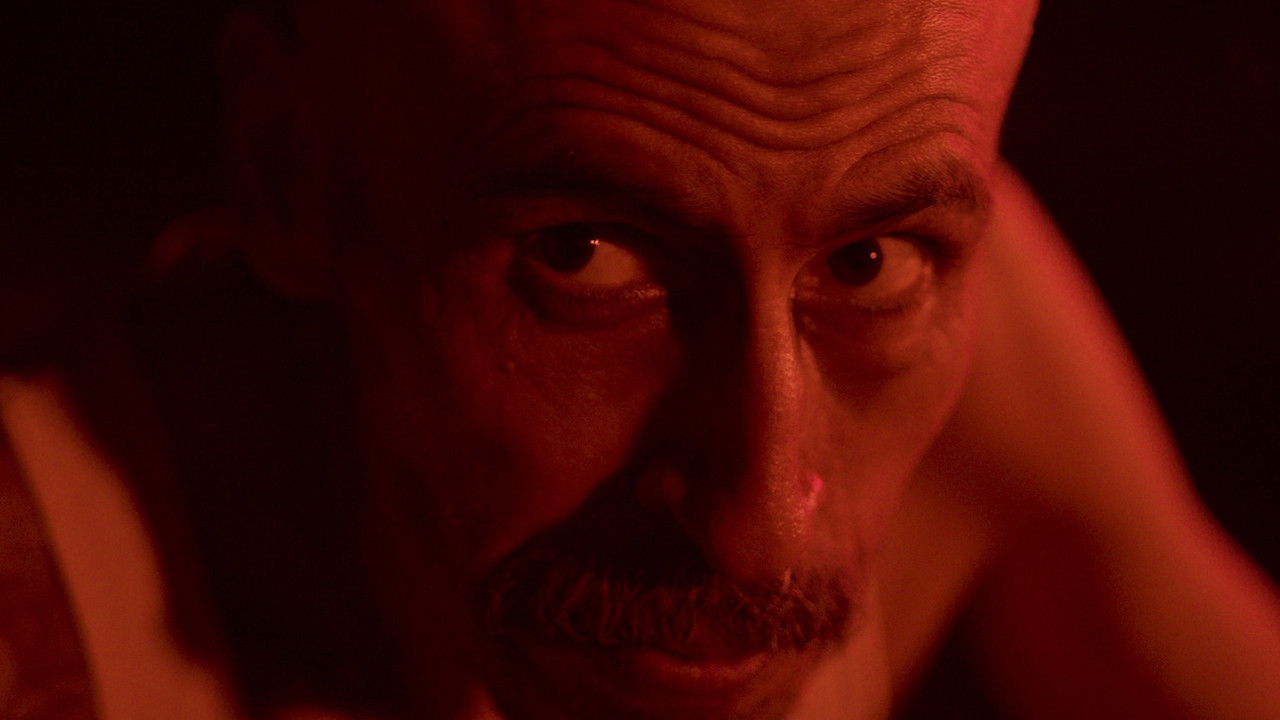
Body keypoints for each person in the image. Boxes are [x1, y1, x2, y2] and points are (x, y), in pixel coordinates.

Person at [1, 0, 1279, 718]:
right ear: (292, 177)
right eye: (585, 257)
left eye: (863, 260)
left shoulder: (946, 308)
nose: (764, 527)